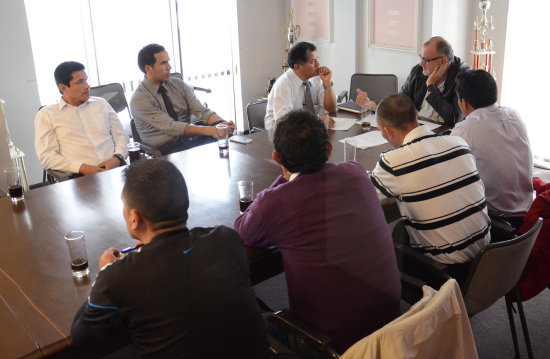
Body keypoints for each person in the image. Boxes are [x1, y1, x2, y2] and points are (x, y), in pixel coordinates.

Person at [235, 110, 401, 352]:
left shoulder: (276, 203)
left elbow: (244, 231)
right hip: (392, 325)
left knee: (253, 320)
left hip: (332, 345)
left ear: (276, 159)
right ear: (329, 150)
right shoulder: (356, 172)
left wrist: (283, 181)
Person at [70, 159, 271, 358]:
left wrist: (105, 272)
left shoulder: (118, 277)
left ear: (134, 219)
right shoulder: (227, 239)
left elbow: (81, 337)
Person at [370, 94, 490, 283]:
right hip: (488, 258)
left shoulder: (393, 162)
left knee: (388, 236)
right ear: (416, 115)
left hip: (447, 271)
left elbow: (364, 199)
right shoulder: (458, 143)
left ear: (387, 131)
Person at [451, 69, 533, 229]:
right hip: (527, 209)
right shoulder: (514, 114)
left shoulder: (465, 129)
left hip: (497, 220)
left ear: (464, 102)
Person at [130, 44, 234, 155]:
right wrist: (212, 131)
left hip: (188, 141)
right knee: (215, 137)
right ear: (148, 68)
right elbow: (173, 127)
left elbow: (201, 111)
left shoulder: (178, 84)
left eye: (168, 62)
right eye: (163, 63)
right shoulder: (139, 99)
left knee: (222, 137)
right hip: (165, 149)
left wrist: (224, 125)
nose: (169, 67)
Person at [35, 61, 128, 176]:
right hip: (80, 177)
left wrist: (117, 158)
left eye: (86, 80)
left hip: (116, 168)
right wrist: (81, 168)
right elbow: (47, 157)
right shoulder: (47, 115)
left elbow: (121, 136)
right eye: (80, 82)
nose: (87, 86)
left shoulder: (101, 104)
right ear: (63, 88)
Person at [356, 36, 468, 125]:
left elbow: (454, 119)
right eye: (421, 58)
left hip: (443, 138)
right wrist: (372, 104)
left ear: (443, 61)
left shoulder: (463, 77)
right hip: (416, 129)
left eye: (425, 60)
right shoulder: (418, 72)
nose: (421, 64)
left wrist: (431, 87)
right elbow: (399, 102)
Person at [264, 42, 337, 129]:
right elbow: (283, 122)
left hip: (309, 131)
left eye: (317, 59)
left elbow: (331, 109)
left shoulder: (316, 77)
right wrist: (316, 121)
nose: (318, 65)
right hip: (282, 136)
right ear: (298, 67)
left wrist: (327, 83)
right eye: (313, 61)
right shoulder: (283, 85)